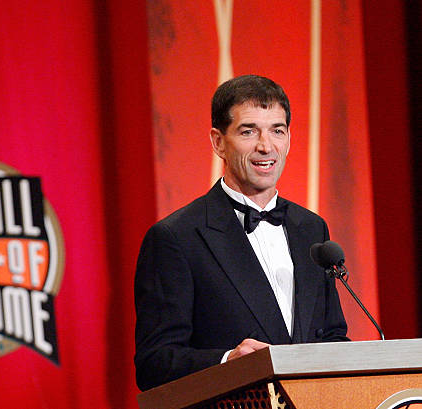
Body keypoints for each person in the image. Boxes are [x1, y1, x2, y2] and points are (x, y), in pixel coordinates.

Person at [134, 75, 349, 391]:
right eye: (249, 132)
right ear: (218, 142)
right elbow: (154, 363)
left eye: (277, 130)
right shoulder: (176, 238)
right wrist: (227, 362)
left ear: (289, 138)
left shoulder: (311, 228)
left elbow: (331, 334)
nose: (266, 146)